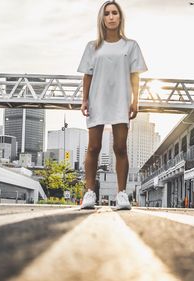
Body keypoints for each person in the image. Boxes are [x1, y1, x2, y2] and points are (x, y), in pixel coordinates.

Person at [77, 0, 147, 210]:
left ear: (120, 17)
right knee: (94, 147)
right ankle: (89, 193)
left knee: (120, 148)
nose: (111, 17)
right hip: (97, 99)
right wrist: (85, 99)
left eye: (114, 13)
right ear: (102, 18)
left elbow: (135, 76)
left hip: (121, 101)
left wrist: (136, 100)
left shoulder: (131, 45)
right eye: (106, 13)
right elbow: (87, 75)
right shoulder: (93, 46)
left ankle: (122, 195)